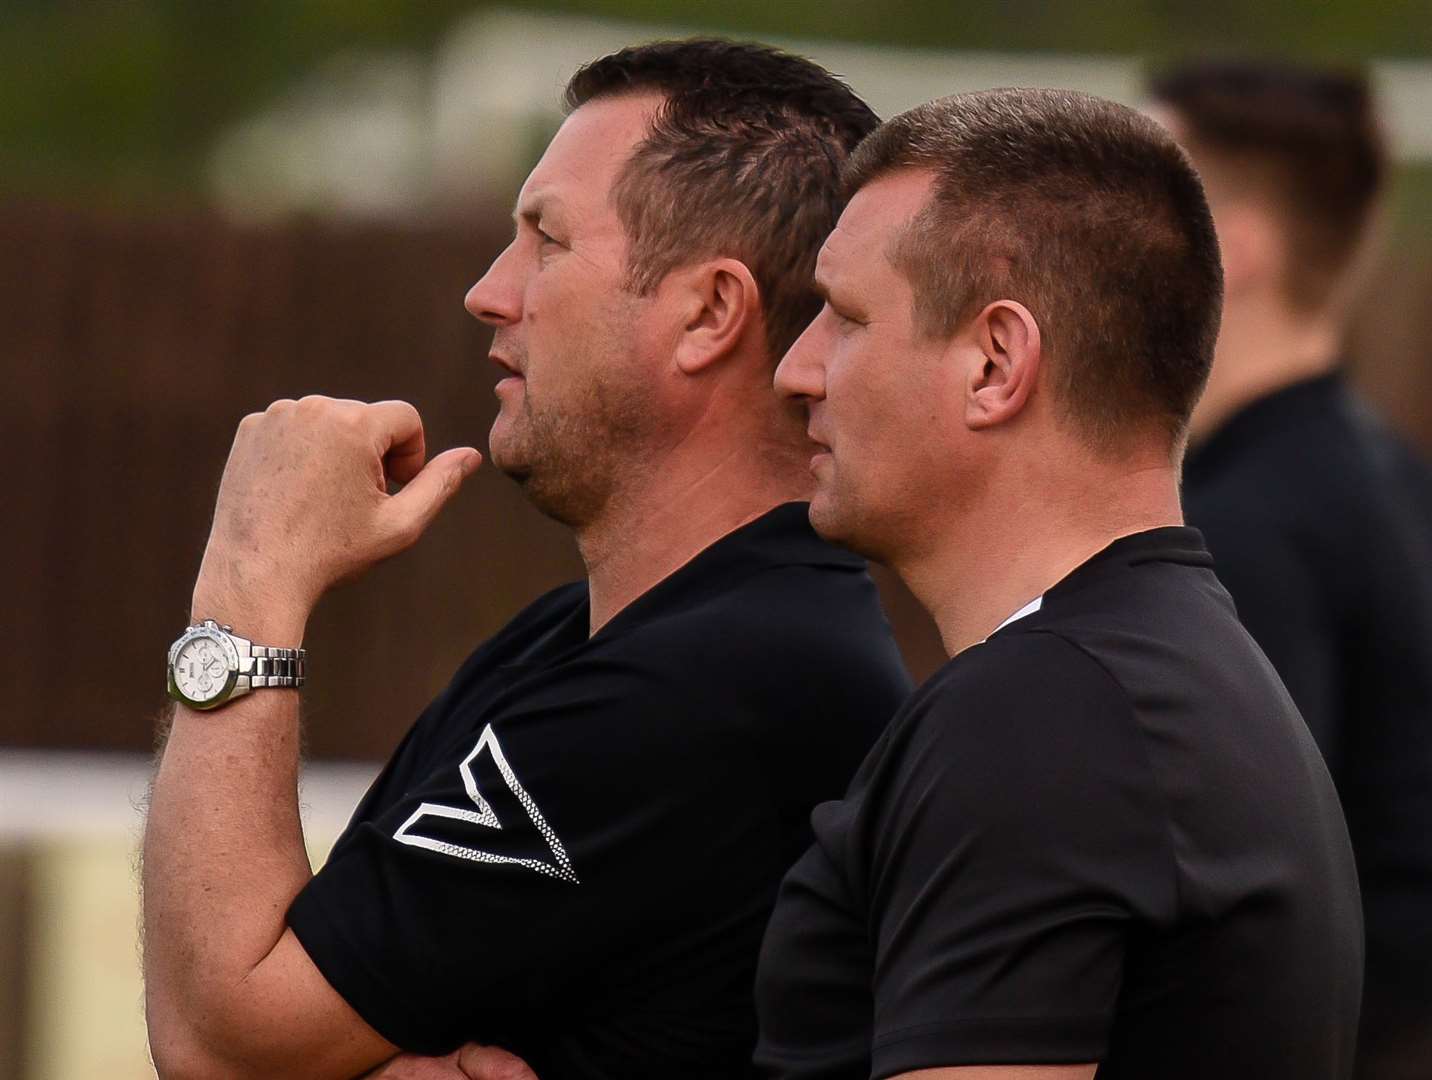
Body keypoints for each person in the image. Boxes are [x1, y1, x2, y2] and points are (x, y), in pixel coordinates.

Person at [142, 39, 911, 1080]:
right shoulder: (581, 640)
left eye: (545, 240)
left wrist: (248, 579)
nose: (488, 292)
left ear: (708, 313)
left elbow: (222, 1042)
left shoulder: (712, 687)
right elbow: (280, 993)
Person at [754, 88, 1362, 1079]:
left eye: (846, 317)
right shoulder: (1149, 677)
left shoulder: (1045, 717)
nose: (796, 368)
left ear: (995, 363)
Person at [1150, 61, 1432, 1078]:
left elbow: (1242, 894)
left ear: (1240, 247)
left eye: (1134, 193)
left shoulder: (1248, 523)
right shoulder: (1375, 466)